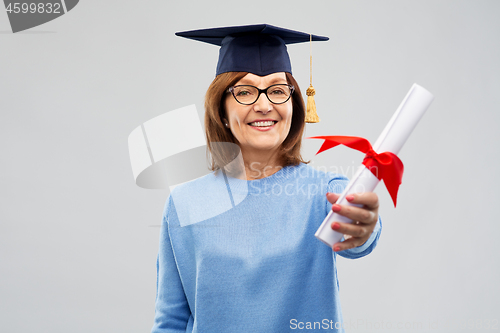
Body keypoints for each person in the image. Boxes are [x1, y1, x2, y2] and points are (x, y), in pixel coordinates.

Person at [151, 24, 382, 333]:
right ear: (221, 110)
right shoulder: (184, 202)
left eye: (277, 90)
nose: (263, 104)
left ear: (294, 105)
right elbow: (171, 320)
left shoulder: (324, 192)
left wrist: (363, 226)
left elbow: (355, 236)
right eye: (244, 91)